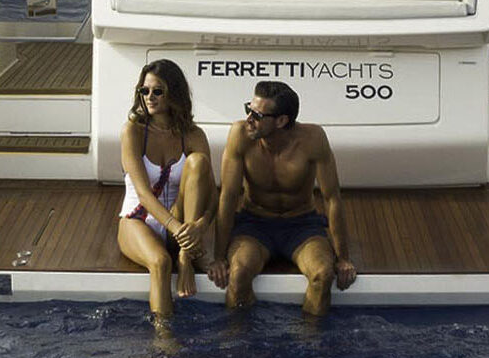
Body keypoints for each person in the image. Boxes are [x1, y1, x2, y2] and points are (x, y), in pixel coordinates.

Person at [208, 79, 357, 316]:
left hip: (301, 226)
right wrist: (218, 256)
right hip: (254, 224)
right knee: (238, 275)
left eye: (257, 115)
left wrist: (343, 258)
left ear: (281, 120)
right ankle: (240, 344)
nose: (249, 119)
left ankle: (310, 345)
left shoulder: (313, 139)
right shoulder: (240, 135)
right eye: (249, 109)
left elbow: (332, 199)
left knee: (322, 275)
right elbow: (228, 197)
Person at [117, 58, 214, 319]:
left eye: (157, 91)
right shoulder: (133, 132)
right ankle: (164, 341)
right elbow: (144, 194)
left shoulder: (193, 135)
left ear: (174, 94)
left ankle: (185, 258)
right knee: (160, 263)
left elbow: (211, 194)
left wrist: (200, 227)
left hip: (181, 222)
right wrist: (182, 232)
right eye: (144, 91)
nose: (149, 97)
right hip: (138, 219)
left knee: (198, 162)